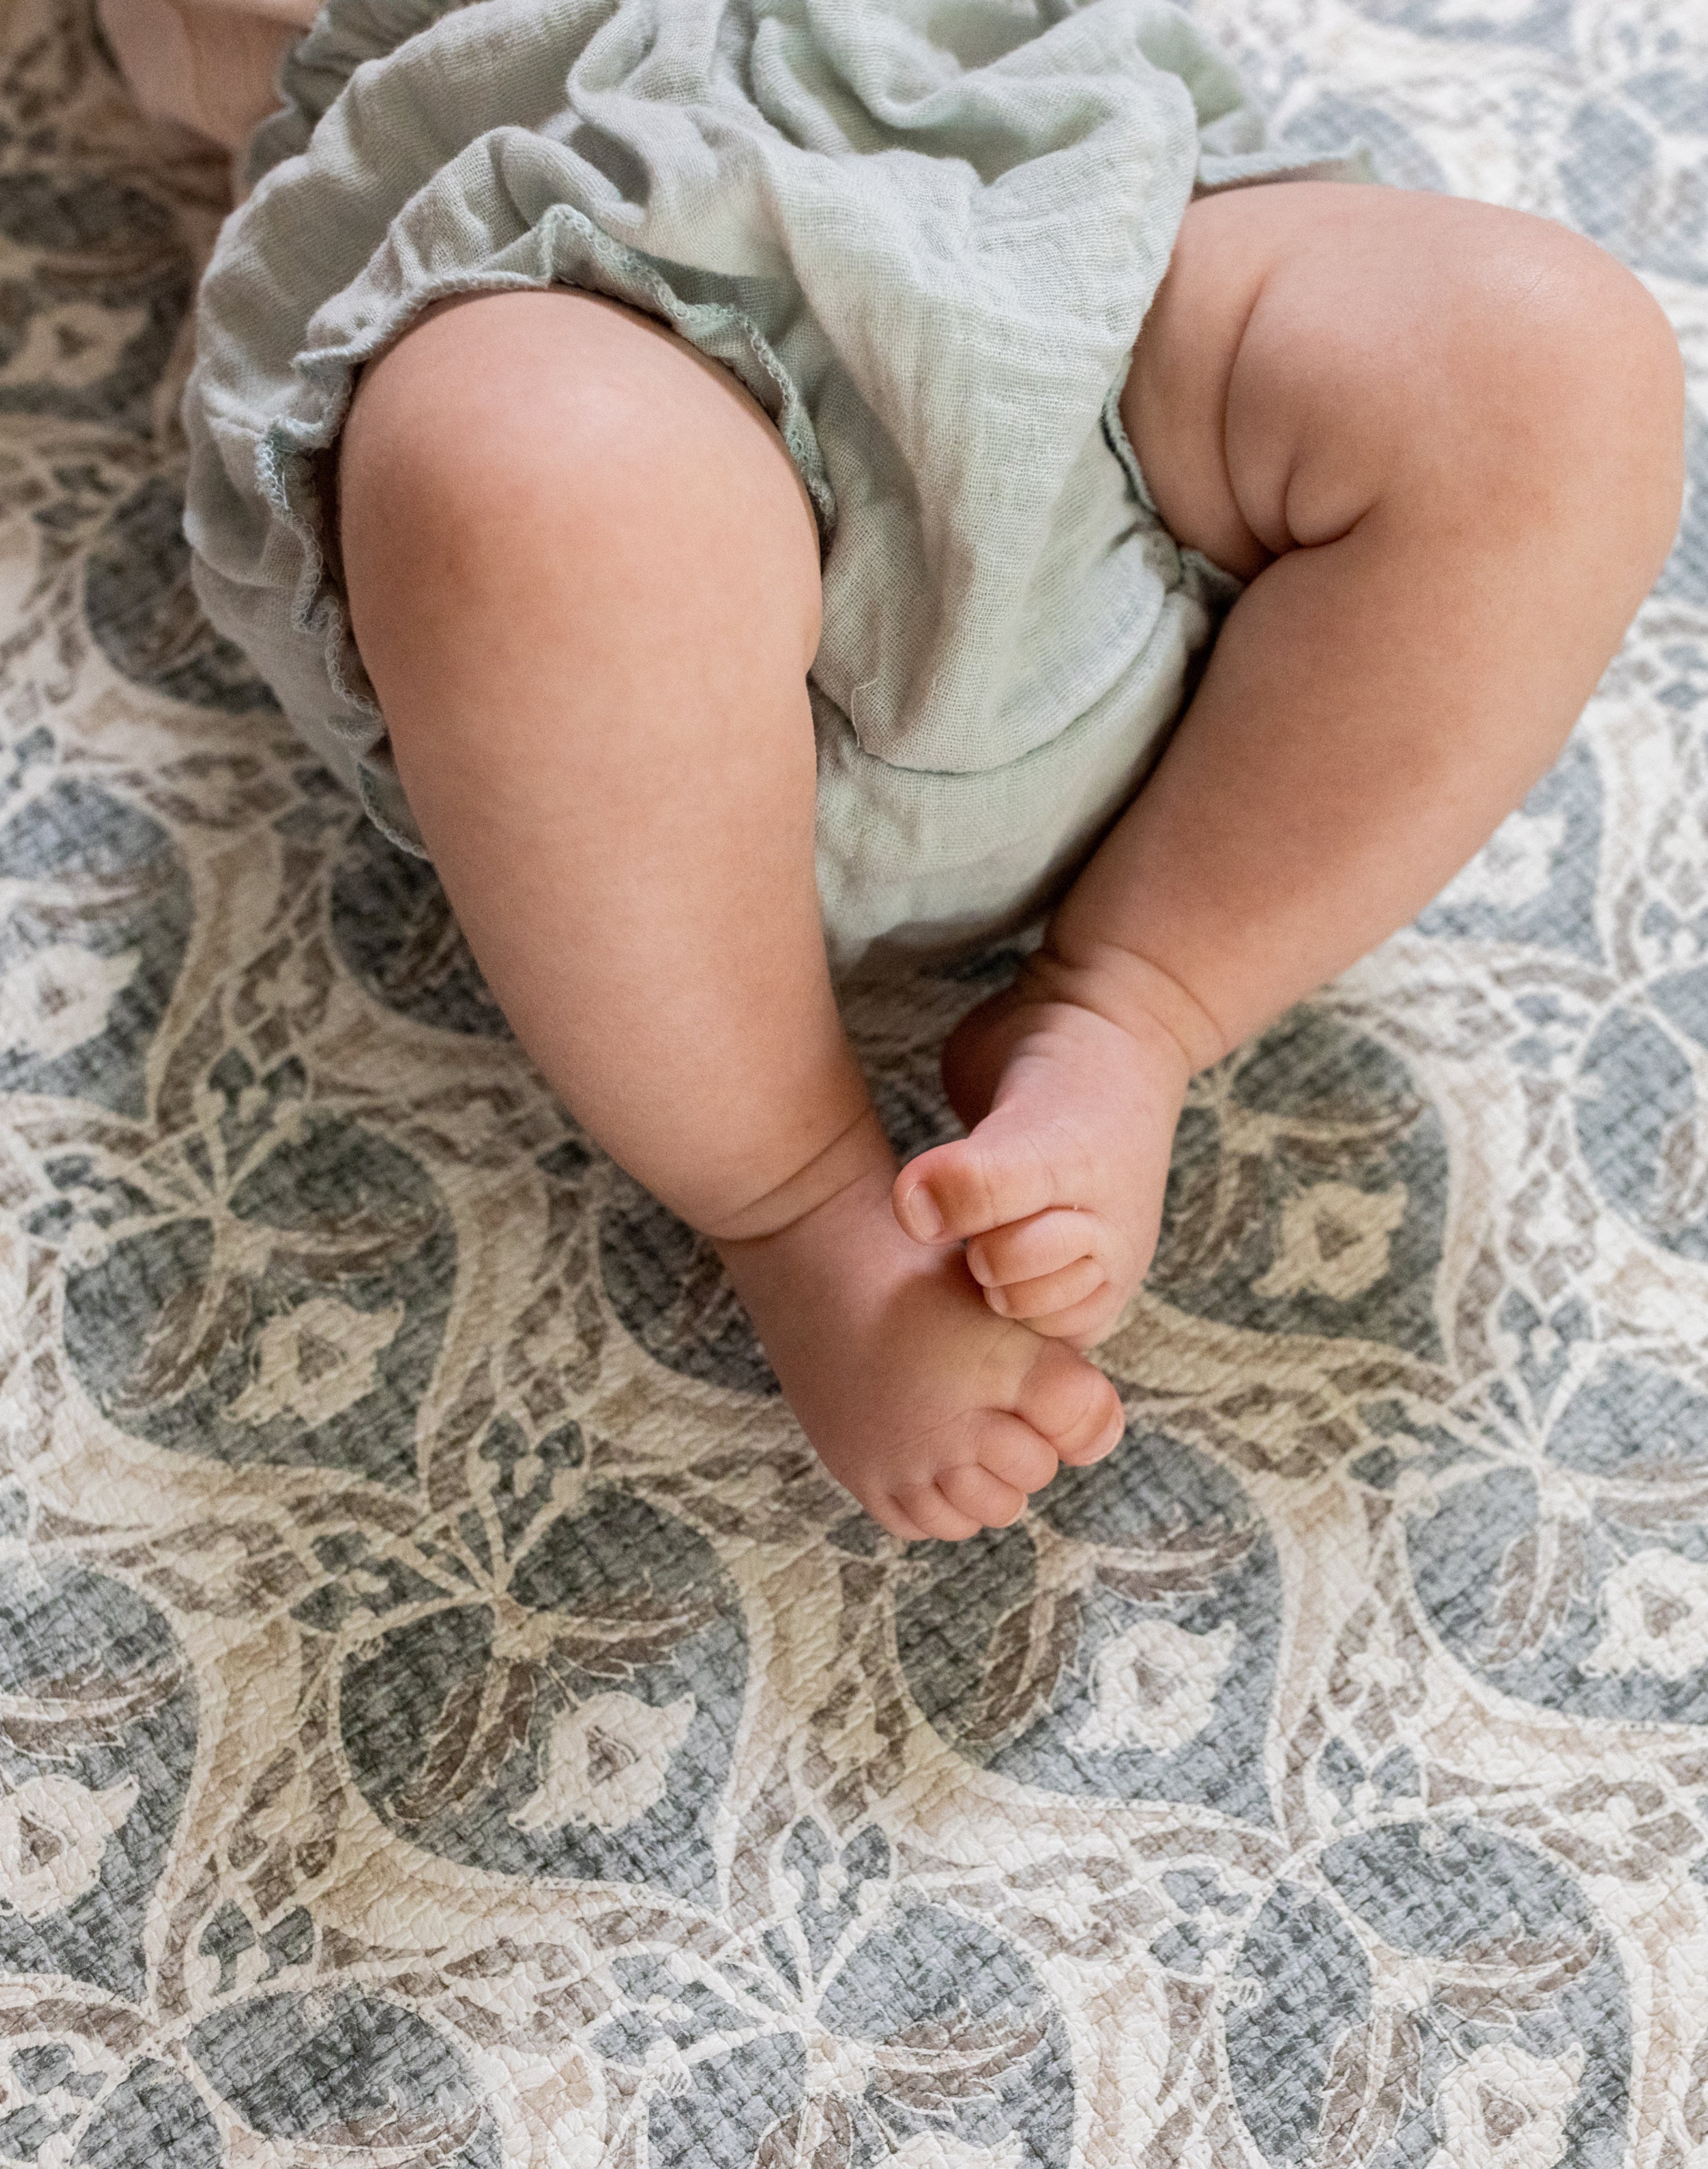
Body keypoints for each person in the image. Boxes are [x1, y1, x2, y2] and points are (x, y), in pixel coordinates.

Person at [182, 0, 1684, 1544]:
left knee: (1546, 357)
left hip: (1048, 242)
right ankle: (800, 1201)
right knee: (530, 465)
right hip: (585, 323)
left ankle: (1134, 1002)